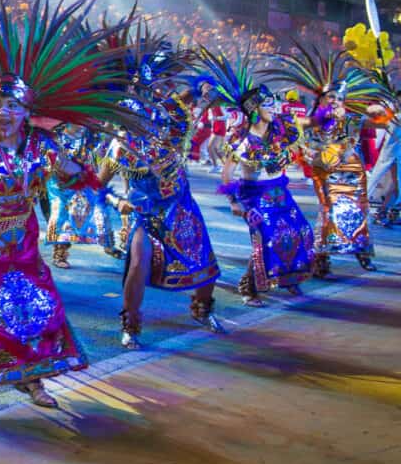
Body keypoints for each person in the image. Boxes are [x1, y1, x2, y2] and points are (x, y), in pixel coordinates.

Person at [0, 0, 141, 428]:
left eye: (13, 106)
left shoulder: (43, 147)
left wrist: (113, 199)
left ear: (27, 111)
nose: (3, 112)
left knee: (42, 307)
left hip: (23, 243)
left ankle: (32, 376)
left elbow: (79, 177)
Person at [97, 37, 224, 350]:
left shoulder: (173, 126)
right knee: (139, 264)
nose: (155, 102)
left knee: (203, 264)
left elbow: (200, 88)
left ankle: (202, 309)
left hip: (182, 208)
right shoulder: (121, 145)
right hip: (146, 214)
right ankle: (131, 325)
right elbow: (95, 186)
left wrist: (206, 88)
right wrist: (119, 202)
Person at [195, 47, 315, 306]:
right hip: (255, 195)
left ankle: (289, 278)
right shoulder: (242, 139)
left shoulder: (281, 131)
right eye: (267, 104)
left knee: (299, 231)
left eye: (273, 103)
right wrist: (234, 202)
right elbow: (227, 173)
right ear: (253, 109)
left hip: (279, 192)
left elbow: (300, 140)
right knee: (266, 239)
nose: (273, 108)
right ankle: (249, 286)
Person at [267, 45, 391, 275]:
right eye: (330, 96)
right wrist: (309, 151)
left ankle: (362, 253)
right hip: (325, 170)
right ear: (323, 99)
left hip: (352, 171)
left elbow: (381, 122)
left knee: (356, 212)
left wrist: (383, 107)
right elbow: (297, 134)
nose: (334, 100)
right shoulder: (313, 120)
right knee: (330, 210)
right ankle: (322, 258)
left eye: (338, 97)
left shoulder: (354, 119)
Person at [45, 123, 123, 268]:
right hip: (61, 183)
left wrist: (110, 130)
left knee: (99, 209)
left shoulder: (90, 134)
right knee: (61, 213)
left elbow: (103, 148)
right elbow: (52, 160)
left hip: (86, 179)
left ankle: (108, 245)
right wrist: (69, 174)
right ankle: (59, 253)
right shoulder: (56, 136)